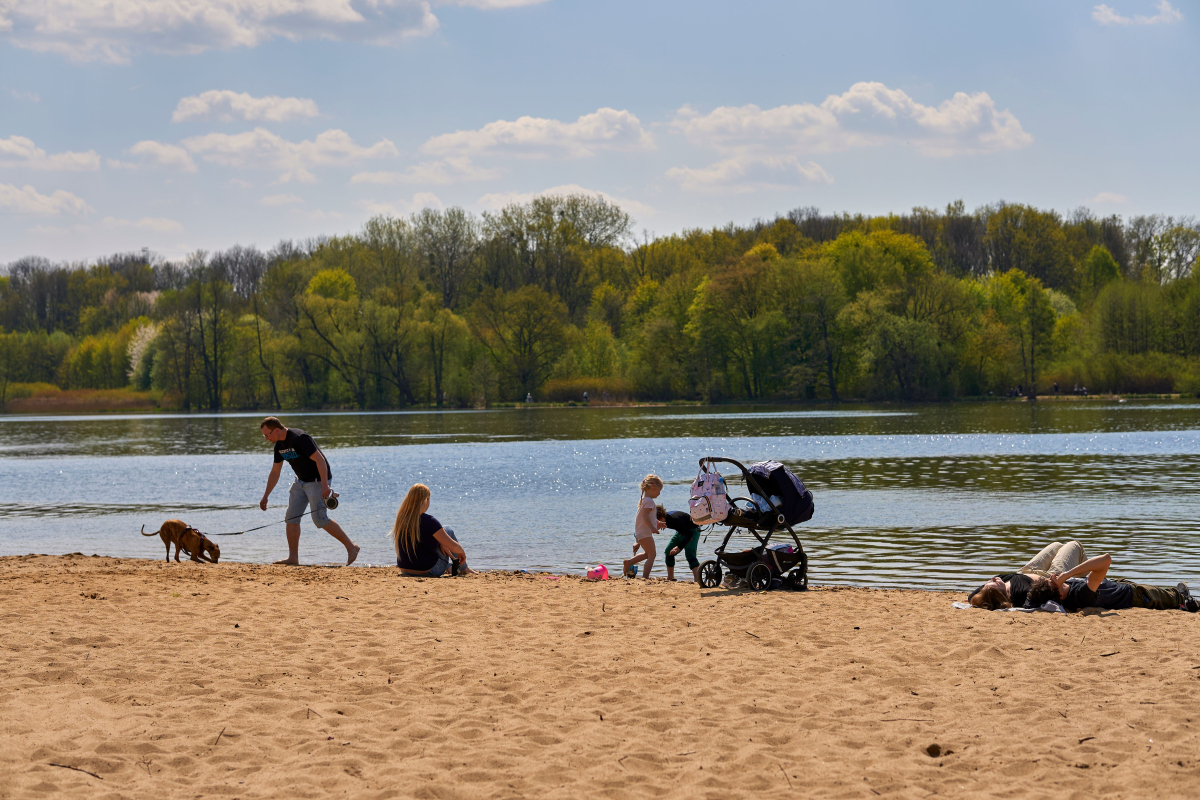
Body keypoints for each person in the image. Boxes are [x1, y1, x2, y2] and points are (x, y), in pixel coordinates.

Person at [259, 416, 359, 566]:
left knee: (319, 519)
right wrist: (266, 496)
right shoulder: (279, 446)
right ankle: (293, 558)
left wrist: (325, 485)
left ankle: (352, 547)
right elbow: (275, 472)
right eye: (264, 436)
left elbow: (320, 460)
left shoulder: (300, 438)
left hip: (317, 481)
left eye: (267, 435)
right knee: (291, 517)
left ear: (277, 430)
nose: (266, 438)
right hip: (300, 482)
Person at [1024, 553, 1198, 612]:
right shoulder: (1081, 595)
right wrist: (1066, 574)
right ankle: (1183, 600)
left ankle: (1179, 599)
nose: (1053, 577)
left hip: (1121, 585)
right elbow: (1106, 560)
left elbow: (1030, 602)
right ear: (1060, 596)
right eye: (1053, 583)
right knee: (1175, 597)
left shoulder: (1067, 591)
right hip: (1137, 596)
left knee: (1167, 595)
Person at [968, 541, 1086, 610]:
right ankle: (1090, 586)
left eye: (988, 583)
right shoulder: (1021, 594)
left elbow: (972, 597)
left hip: (1027, 570)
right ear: (1003, 594)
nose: (992, 579)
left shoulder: (993, 589)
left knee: (1057, 545)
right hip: (1050, 577)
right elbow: (1034, 603)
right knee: (1075, 545)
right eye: (994, 583)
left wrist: (987, 590)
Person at [392, 483, 473, 577]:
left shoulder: (401, 519)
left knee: (438, 540)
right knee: (448, 530)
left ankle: (450, 567)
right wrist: (462, 552)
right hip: (428, 571)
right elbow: (454, 547)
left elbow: (422, 543)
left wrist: (441, 543)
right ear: (424, 501)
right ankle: (464, 568)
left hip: (405, 570)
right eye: (428, 499)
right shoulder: (430, 521)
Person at [623, 474, 664, 578]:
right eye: (659, 490)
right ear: (653, 488)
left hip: (639, 533)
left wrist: (657, 522)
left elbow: (647, 516)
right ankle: (645, 577)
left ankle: (629, 562)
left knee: (647, 554)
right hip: (645, 533)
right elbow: (645, 517)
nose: (659, 493)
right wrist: (652, 528)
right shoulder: (649, 501)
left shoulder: (644, 500)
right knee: (652, 555)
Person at [657, 504, 702, 583]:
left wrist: (679, 547)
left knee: (690, 554)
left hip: (692, 530)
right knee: (668, 551)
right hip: (681, 531)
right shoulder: (665, 518)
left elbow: (688, 534)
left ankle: (697, 580)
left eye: (656, 521)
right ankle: (670, 577)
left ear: (661, 518)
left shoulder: (674, 519)